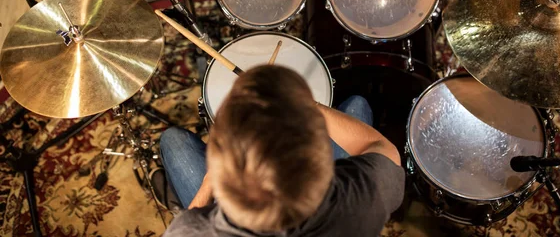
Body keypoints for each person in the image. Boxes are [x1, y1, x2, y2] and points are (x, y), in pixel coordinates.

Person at [160, 65, 405, 236]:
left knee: (173, 141)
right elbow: (385, 150)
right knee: (357, 104)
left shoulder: (193, 229)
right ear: (321, 165)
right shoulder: (363, 197)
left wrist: (207, 184)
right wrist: (306, 106)